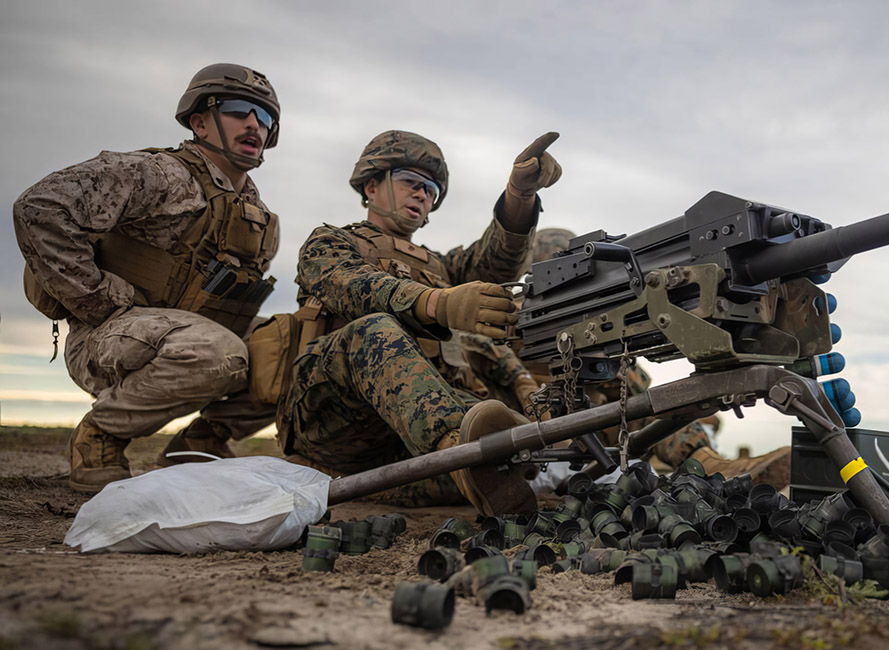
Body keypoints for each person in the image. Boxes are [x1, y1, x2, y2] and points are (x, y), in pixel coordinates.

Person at [13, 63, 283, 494]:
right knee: (219, 352)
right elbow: (40, 208)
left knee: (297, 346)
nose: (254, 123)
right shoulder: (158, 174)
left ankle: (199, 444)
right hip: (108, 335)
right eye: (237, 110)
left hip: (189, 337)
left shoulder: (258, 217)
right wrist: (98, 299)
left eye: (265, 118)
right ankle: (99, 438)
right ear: (200, 122)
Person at [275, 130, 560, 515]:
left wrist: (519, 197)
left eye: (431, 190)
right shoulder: (330, 242)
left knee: (501, 429)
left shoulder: (440, 266)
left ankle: (456, 468)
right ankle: (460, 457)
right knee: (375, 330)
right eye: (411, 182)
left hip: (403, 436)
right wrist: (437, 303)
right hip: (333, 420)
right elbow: (356, 287)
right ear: (371, 186)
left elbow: (495, 264)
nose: (423, 195)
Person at [520, 228, 793, 490]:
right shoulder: (520, 335)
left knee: (648, 403)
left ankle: (704, 461)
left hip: (604, 438)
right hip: (540, 439)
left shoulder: (594, 332)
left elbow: (641, 400)